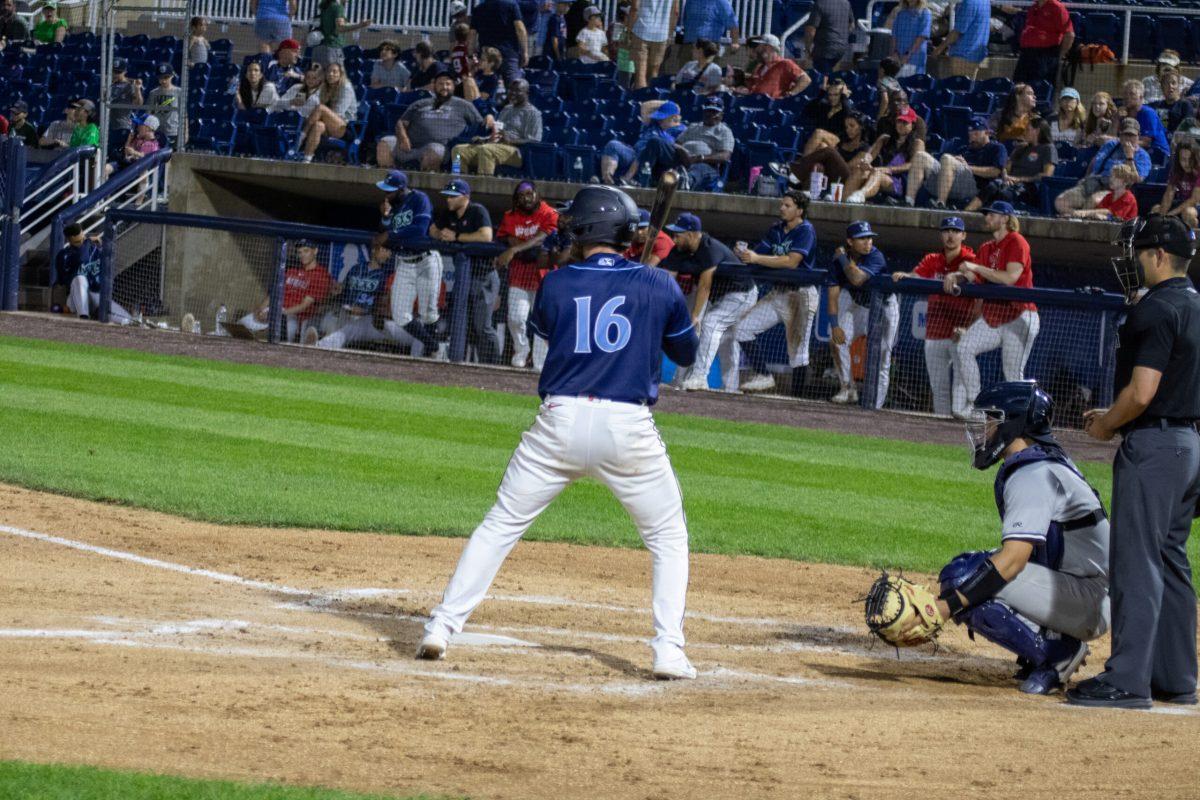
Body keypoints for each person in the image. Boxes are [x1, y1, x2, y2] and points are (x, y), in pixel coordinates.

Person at [416, 185, 701, 681]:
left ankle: (441, 626)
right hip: (627, 428)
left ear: (586, 230)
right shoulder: (658, 285)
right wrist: (658, 300)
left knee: (500, 525)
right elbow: (687, 355)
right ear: (627, 231)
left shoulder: (556, 283)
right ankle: (668, 650)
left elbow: (557, 337)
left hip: (559, 421)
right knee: (668, 538)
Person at [1071, 214, 1200, 710]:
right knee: (1170, 559)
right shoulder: (1194, 305)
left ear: (1160, 256)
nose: (1135, 261)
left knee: (1138, 563)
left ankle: (1127, 680)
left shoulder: (1157, 309)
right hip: (1189, 444)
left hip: (1156, 448)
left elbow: (1143, 393)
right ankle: (1176, 677)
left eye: (1141, 253)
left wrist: (1107, 426)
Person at [924, 381, 1109, 695]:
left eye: (992, 420)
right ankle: (1046, 642)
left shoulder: (1033, 474)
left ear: (1013, 423)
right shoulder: (1042, 461)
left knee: (965, 576)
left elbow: (1012, 562)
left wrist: (943, 608)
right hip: (1084, 590)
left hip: (1090, 599)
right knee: (979, 574)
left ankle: (1057, 653)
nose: (986, 429)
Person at [946, 201, 1039, 420]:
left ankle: (1021, 418)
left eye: (991, 214)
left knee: (1012, 372)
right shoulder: (987, 247)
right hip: (995, 315)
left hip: (1020, 315)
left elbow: (1009, 278)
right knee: (964, 348)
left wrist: (974, 267)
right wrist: (957, 275)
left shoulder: (1017, 241)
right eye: (986, 215)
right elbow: (973, 276)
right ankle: (978, 405)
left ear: (1005, 218)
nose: (987, 218)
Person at [732, 191, 818, 396]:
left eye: (787, 205)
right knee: (742, 328)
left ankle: (798, 399)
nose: (782, 208)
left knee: (798, 352)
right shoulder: (776, 229)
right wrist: (744, 254)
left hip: (801, 296)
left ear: (799, 210)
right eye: (782, 204)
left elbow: (791, 261)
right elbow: (759, 254)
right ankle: (764, 375)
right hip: (778, 293)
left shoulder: (806, 230)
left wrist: (755, 258)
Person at [890, 217, 977, 416]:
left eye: (956, 231)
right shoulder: (932, 260)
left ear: (963, 235)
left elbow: (973, 278)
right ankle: (941, 435)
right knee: (939, 390)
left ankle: (961, 431)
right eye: (947, 230)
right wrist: (905, 275)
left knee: (960, 393)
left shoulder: (970, 259)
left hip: (961, 333)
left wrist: (956, 275)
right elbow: (916, 275)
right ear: (941, 235)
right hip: (935, 332)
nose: (951, 235)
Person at [660, 213, 756, 392]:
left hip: (741, 294)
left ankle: (700, 377)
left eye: (678, 235)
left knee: (711, 324)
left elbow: (705, 285)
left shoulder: (709, 247)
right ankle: (685, 381)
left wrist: (696, 315)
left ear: (690, 234)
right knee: (721, 338)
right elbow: (668, 283)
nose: (674, 239)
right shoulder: (678, 251)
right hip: (717, 296)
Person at [827, 221, 898, 407]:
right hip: (860, 306)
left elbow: (857, 279)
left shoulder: (876, 256)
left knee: (883, 357)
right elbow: (833, 295)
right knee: (836, 339)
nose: (868, 242)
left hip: (885, 308)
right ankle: (848, 389)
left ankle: (875, 407)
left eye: (869, 238)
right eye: (862, 238)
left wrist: (842, 259)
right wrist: (835, 325)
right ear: (850, 241)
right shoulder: (837, 261)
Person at [430, 179, 498, 364]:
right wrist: (441, 235)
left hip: (484, 275)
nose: (449, 200)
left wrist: (457, 237)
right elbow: (432, 230)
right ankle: (463, 363)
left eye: (453, 196)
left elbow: (486, 236)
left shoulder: (477, 210)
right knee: (462, 321)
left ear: (465, 197)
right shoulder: (448, 214)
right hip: (464, 275)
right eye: (447, 196)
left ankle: (493, 365)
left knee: (482, 326)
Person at [375, 170, 441, 358]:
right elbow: (383, 233)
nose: (386, 194)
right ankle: (435, 346)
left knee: (428, 312)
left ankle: (432, 354)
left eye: (390, 190)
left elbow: (420, 229)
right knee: (399, 315)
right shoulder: (393, 207)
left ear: (401, 189)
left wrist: (391, 235)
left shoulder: (419, 198)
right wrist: (386, 217)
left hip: (426, 259)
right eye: (385, 190)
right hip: (404, 262)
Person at [496, 182, 558, 369]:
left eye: (530, 193)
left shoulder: (549, 213)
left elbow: (544, 237)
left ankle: (540, 362)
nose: (526, 198)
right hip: (520, 273)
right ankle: (522, 350)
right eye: (522, 195)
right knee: (516, 317)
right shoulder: (510, 216)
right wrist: (516, 245)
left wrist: (515, 248)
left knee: (542, 321)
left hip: (544, 274)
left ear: (537, 194)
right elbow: (505, 235)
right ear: (517, 199)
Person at [379, 71, 484, 171]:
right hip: (409, 146)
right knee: (385, 143)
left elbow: (480, 123)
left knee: (433, 152)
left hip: (437, 147)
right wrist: (403, 138)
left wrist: (488, 117)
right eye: (440, 84)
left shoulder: (463, 105)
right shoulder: (420, 103)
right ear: (434, 86)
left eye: (448, 84)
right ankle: (392, 181)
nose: (444, 87)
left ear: (453, 87)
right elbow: (401, 123)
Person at [237, 238, 332, 342]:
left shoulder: (321, 275)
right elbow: (274, 294)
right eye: (299, 252)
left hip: (292, 317)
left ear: (315, 251)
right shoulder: (292, 270)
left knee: (273, 338)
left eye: (306, 251)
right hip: (273, 311)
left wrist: (275, 314)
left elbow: (304, 306)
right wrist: (260, 310)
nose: (302, 255)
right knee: (240, 326)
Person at [1055, 117, 1151, 216]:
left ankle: (1079, 220)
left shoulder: (1143, 156)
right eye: (1125, 134)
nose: (1128, 138)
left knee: (1093, 201)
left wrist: (1130, 158)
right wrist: (1086, 178)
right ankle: (1074, 216)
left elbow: (1138, 179)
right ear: (1120, 134)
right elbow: (1094, 163)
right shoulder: (1111, 145)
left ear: (1138, 136)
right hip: (1093, 183)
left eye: (1132, 135)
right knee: (1061, 202)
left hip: (1113, 189)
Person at [909, 118, 1006, 210]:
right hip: (950, 185)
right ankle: (909, 201)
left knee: (947, 158)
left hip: (975, 188)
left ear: (987, 132)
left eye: (976, 133)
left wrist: (966, 167)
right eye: (970, 133)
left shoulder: (997, 148)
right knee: (920, 156)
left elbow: (995, 172)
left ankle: (940, 203)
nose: (972, 136)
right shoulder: (964, 149)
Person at [450, 79, 540, 176]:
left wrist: (511, 140)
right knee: (458, 150)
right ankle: (458, 182)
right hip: (495, 146)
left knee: (486, 150)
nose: (513, 93)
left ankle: (483, 186)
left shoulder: (533, 113)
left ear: (527, 93)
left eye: (517, 90)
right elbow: (498, 133)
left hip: (517, 152)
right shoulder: (507, 109)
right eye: (510, 90)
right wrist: (485, 139)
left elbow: (535, 140)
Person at [969, 117, 1056, 212]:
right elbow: (1006, 167)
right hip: (1009, 182)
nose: (1024, 132)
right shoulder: (1021, 148)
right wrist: (1006, 176)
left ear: (1037, 131)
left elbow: (1047, 175)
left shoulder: (1048, 148)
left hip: (1029, 187)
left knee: (1001, 193)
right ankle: (968, 213)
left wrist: (1019, 179)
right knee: (991, 186)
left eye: (1028, 130)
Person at [316, 242, 392, 350]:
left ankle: (319, 346)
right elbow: (343, 289)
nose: (387, 255)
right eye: (384, 250)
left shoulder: (385, 276)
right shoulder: (356, 268)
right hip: (346, 311)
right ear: (374, 250)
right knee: (330, 319)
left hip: (366, 318)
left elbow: (381, 304)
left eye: (389, 252)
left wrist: (365, 310)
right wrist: (337, 289)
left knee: (346, 328)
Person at [843, 105, 925, 205]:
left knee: (877, 173)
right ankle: (843, 200)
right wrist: (866, 162)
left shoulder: (917, 143)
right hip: (880, 173)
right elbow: (870, 155)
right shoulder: (885, 139)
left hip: (901, 182)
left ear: (912, 125)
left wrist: (888, 170)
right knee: (860, 171)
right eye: (899, 121)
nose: (901, 125)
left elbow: (912, 165)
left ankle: (860, 195)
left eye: (905, 122)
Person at [56, 224, 132, 324]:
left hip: (95, 295)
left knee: (121, 317)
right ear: (71, 239)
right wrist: (88, 241)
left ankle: (131, 321)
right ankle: (84, 317)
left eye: (83, 236)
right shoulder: (64, 255)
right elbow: (81, 258)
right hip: (76, 300)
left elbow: (107, 270)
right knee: (79, 278)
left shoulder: (95, 249)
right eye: (80, 238)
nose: (83, 238)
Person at [599, 99, 687, 186]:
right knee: (613, 145)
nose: (659, 120)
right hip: (633, 154)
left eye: (663, 117)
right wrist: (671, 104)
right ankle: (607, 180)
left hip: (650, 162)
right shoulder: (654, 124)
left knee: (645, 150)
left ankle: (627, 179)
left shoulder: (680, 130)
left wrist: (674, 109)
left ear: (674, 118)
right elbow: (645, 107)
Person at [781, 109, 871, 192]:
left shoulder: (865, 148)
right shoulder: (843, 141)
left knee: (829, 151)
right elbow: (819, 134)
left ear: (861, 127)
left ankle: (793, 169)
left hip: (846, 179)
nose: (848, 130)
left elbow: (849, 167)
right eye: (846, 127)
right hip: (832, 174)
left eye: (852, 126)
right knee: (818, 165)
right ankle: (803, 193)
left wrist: (831, 157)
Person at [295, 60, 357, 162]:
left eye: (334, 72)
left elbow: (338, 112)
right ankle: (306, 159)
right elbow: (313, 101)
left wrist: (321, 114)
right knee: (318, 126)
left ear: (341, 74)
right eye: (328, 71)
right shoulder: (324, 87)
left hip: (345, 127)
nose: (331, 74)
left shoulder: (346, 87)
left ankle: (301, 136)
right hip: (328, 125)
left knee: (321, 108)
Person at [676, 96, 734, 191]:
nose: (710, 115)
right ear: (704, 112)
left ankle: (684, 182)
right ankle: (644, 176)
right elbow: (677, 143)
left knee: (699, 168)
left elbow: (725, 156)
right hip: (681, 159)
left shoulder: (724, 131)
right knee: (656, 141)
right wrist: (682, 153)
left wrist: (700, 158)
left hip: (706, 165)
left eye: (714, 112)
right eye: (708, 111)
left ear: (721, 115)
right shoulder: (693, 127)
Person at [1010, 0, 1072, 88]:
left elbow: (1069, 35)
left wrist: (1059, 55)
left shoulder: (1057, 8)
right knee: (1018, 87)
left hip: (1045, 56)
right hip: (1026, 54)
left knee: (1040, 88)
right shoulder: (1033, 7)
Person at [470, 0, 528, 86]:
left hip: (487, 56)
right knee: (514, 87)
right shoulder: (511, 5)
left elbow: (472, 34)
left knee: (485, 88)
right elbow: (520, 29)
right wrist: (524, 52)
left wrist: (471, 55)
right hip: (508, 53)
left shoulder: (479, 9)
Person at [735, 34, 810, 99]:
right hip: (755, 105)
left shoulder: (785, 64)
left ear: (768, 47)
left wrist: (791, 94)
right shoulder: (760, 67)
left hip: (772, 108)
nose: (757, 49)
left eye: (760, 46)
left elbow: (805, 79)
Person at [930, 0, 989, 80]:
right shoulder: (985, 1)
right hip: (975, 54)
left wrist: (939, 50)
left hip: (963, 55)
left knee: (960, 89)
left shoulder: (969, 3)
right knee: (967, 88)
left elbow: (957, 32)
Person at [629, 0, 678, 89]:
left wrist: (630, 30)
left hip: (641, 30)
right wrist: (668, 33)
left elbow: (635, 8)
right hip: (661, 33)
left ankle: (641, 99)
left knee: (640, 73)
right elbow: (675, 12)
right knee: (654, 72)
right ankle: (651, 97)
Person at [800, 78, 855, 156]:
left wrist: (844, 98)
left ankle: (802, 164)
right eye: (830, 94)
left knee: (819, 132)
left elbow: (849, 118)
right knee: (822, 146)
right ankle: (810, 167)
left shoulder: (848, 108)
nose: (832, 98)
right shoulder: (824, 106)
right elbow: (807, 112)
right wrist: (821, 94)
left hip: (839, 143)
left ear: (842, 94)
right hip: (823, 143)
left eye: (836, 95)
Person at [1153, 140, 1200, 230]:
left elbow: (1194, 199)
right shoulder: (1176, 171)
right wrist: (1162, 216)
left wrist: (1171, 214)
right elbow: (1168, 195)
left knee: (1188, 213)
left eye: (1190, 159)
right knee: (1156, 210)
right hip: (1182, 202)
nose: (1187, 163)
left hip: (1197, 205)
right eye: (1183, 159)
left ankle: (1193, 241)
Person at [1067, 163, 1139, 222]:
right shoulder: (1109, 196)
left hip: (1122, 233)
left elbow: (1113, 214)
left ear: (1125, 182)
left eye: (1116, 177)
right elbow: (1099, 211)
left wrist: (1085, 213)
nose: (1111, 179)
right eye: (1111, 176)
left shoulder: (1129, 198)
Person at [1121, 79, 1169, 164]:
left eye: (1132, 94)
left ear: (1141, 97)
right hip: (1135, 152)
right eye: (1125, 94)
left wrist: (1120, 142)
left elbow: (1146, 142)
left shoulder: (1147, 113)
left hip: (1157, 154)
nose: (1127, 97)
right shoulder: (1123, 114)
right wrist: (1116, 120)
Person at [314, 0, 372, 67]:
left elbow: (336, 25)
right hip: (333, 48)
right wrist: (360, 25)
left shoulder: (326, 5)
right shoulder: (338, 7)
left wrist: (357, 25)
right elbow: (340, 28)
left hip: (319, 48)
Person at [802, 0, 852, 73]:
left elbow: (810, 30)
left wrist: (807, 48)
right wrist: (841, 37)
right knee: (830, 74)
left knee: (821, 77)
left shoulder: (820, 3)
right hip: (841, 49)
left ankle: (824, 82)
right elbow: (851, 25)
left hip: (824, 49)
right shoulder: (846, 3)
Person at [885, 0, 931, 78]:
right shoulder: (900, 13)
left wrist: (908, 54)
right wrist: (894, 53)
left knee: (912, 85)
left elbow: (922, 36)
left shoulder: (925, 13)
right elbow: (894, 35)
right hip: (898, 58)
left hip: (915, 59)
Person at [146, 63, 184, 140]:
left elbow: (183, 113)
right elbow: (149, 112)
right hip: (157, 130)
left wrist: (185, 133)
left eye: (166, 77)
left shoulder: (178, 92)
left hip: (173, 131)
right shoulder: (153, 93)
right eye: (160, 78)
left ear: (172, 76)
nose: (163, 81)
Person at [1150, 70, 1194, 134]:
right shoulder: (1155, 105)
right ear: (1162, 87)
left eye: (1173, 83)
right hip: (1158, 141)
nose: (1170, 86)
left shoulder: (1185, 105)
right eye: (1166, 83)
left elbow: (1187, 130)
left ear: (1178, 85)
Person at [109, 58, 144, 133]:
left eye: (119, 72)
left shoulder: (130, 85)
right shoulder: (107, 83)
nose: (116, 74)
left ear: (125, 72)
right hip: (107, 124)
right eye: (114, 71)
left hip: (122, 125)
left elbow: (138, 104)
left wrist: (137, 89)